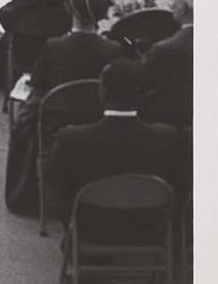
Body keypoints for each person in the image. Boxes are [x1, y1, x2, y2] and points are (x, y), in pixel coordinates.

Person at [4, 0, 122, 216]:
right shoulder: (114, 50)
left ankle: (25, 195)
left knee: (24, 121)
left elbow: (37, 84)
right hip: (99, 120)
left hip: (57, 126)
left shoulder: (53, 47)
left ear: (68, 9)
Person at [46, 58, 181, 235]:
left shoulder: (72, 138)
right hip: (148, 227)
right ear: (140, 95)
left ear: (103, 92)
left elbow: (51, 179)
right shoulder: (167, 137)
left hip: (89, 227)